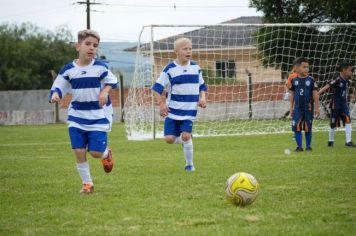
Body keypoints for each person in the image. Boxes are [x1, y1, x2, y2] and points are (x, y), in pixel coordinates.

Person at [49, 30, 118, 194]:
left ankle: (106, 153)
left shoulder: (100, 67)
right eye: (88, 44)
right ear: (78, 46)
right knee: (79, 151)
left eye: (95, 46)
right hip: (77, 116)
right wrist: (56, 94)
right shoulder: (68, 69)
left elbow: (113, 81)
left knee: (95, 153)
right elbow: (58, 85)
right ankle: (87, 184)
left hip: (98, 116)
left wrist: (104, 92)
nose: (91, 48)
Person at [151, 37, 207, 171]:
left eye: (190, 48)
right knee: (169, 139)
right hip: (173, 111)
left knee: (186, 135)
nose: (188, 51)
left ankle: (189, 165)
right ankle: (187, 141)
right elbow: (156, 88)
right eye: (185, 49)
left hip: (189, 110)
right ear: (176, 51)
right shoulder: (169, 69)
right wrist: (161, 104)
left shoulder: (195, 67)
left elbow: (202, 85)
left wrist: (203, 98)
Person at [318, 61, 355, 147]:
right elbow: (327, 86)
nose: (351, 72)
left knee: (348, 120)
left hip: (344, 105)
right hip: (335, 105)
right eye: (350, 70)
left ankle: (348, 142)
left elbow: (350, 90)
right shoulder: (337, 79)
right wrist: (318, 93)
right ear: (344, 70)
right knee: (333, 123)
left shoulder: (347, 81)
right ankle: (330, 141)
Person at [289, 57, 320, 152]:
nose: (307, 69)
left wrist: (317, 107)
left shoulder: (311, 80)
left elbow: (315, 94)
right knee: (297, 128)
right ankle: (299, 147)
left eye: (307, 67)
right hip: (297, 108)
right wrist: (291, 107)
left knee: (308, 128)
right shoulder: (294, 80)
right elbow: (292, 94)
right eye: (304, 67)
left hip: (308, 108)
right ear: (297, 68)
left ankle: (308, 146)